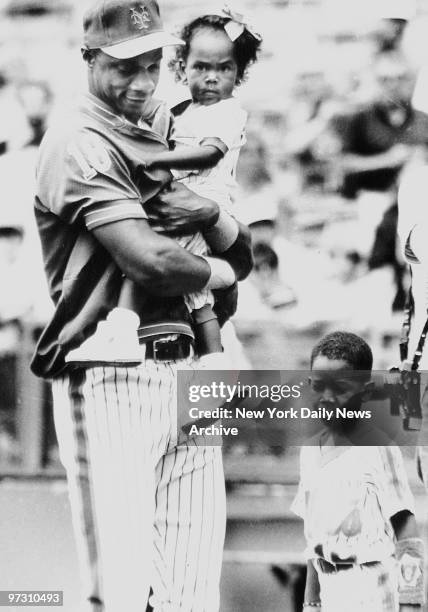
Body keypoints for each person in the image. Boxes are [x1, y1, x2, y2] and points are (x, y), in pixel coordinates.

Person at [31, 0, 253, 610]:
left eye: (151, 64)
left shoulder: (174, 114)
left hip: (192, 372)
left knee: (192, 595)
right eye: (122, 67)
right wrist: (226, 264)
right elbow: (153, 262)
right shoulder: (78, 136)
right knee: (123, 594)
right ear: (88, 58)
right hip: (110, 368)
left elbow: (238, 236)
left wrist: (215, 222)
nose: (139, 82)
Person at [114, 8, 261, 362]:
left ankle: (206, 356)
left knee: (184, 274)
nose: (212, 78)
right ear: (182, 68)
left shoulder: (227, 111)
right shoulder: (179, 110)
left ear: (238, 73)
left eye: (223, 68)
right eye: (201, 67)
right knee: (194, 288)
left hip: (207, 201)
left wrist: (155, 161)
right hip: (184, 203)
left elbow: (208, 155)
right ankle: (210, 356)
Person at [292, 331, 425, 612]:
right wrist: (311, 603)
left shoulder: (377, 448)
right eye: (318, 386)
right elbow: (313, 542)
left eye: (340, 388)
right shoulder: (309, 452)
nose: (327, 397)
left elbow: (407, 530)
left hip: (375, 593)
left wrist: (410, 604)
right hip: (331, 595)